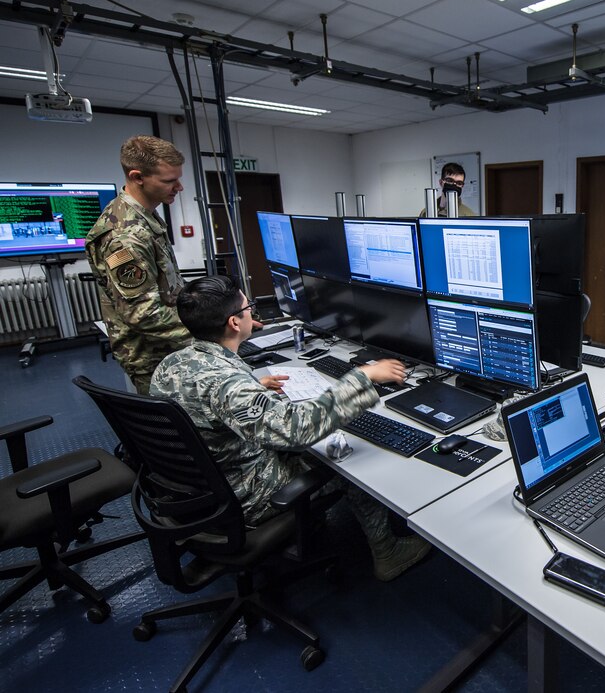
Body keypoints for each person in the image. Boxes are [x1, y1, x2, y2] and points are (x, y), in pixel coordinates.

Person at [150, 275, 431, 582]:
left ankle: (318, 527)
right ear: (234, 322)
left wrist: (253, 388)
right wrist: (364, 377)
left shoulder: (173, 363)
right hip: (242, 495)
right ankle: (388, 554)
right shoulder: (227, 384)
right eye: (249, 307)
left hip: (197, 490)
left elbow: (203, 401)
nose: (252, 313)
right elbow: (296, 430)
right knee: (345, 455)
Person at [86, 135, 191, 394]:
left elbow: (166, 285)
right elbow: (143, 315)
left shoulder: (143, 217)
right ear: (137, 177)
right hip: (154, 355)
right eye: (169, 181)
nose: (179, 187)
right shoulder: (125, 236)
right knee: (177, 432)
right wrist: (212, 334)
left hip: (169, 345)